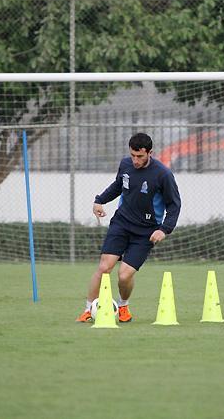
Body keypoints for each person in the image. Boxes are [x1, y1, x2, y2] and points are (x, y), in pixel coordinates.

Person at [76, 133, 181, 323]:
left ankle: (123, 305)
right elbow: (118, 186)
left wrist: (164, 229)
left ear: (150, 153)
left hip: (146, 232)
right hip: (122, 223)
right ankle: (88, 309)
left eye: (140, 156)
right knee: (104, 267)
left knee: (124, 276)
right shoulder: (125, 165)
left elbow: (174, 205)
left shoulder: (163, 174)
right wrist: (99, 200)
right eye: (133, 155)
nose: (135, 160)